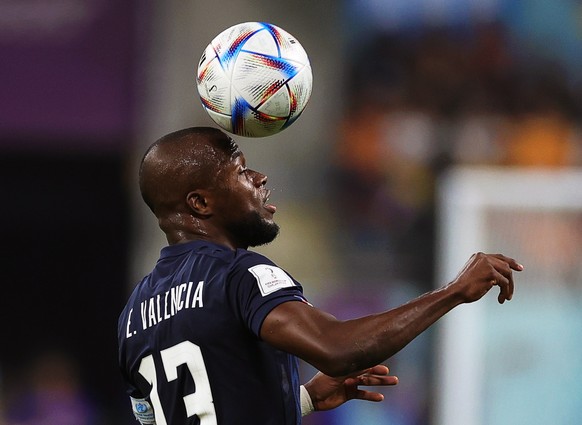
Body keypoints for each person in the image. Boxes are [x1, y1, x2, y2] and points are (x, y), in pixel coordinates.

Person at [118, 126, 523, 425]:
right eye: (241, 172)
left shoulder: (132, 316)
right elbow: (335, 348)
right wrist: (453, 292)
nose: (260, 179)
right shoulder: (240, 274)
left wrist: (304, 399)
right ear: (200, 202)